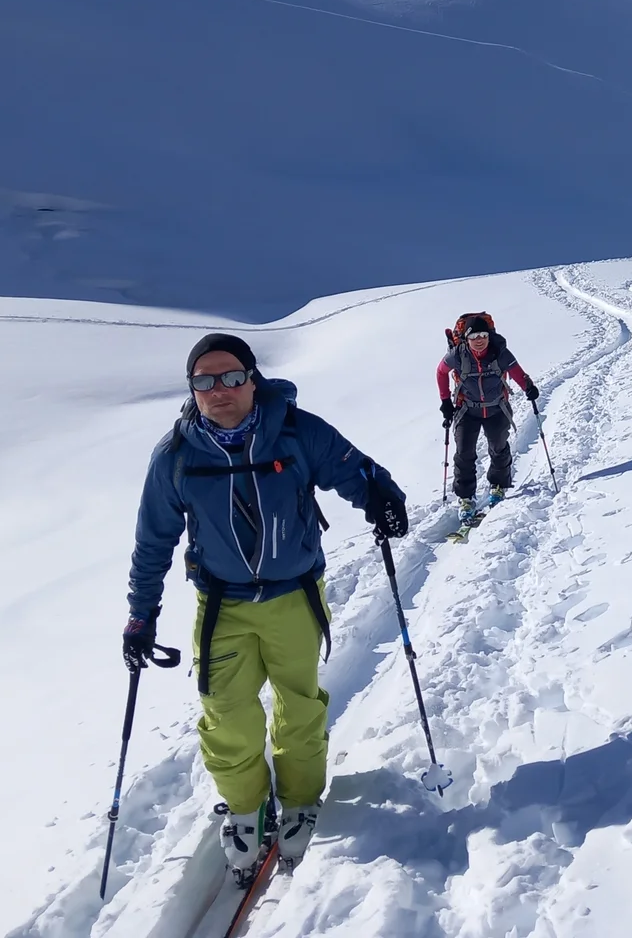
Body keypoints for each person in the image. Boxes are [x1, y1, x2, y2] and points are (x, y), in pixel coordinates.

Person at [122, 334, 410, 884]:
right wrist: (141, 615)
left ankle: (300, 800)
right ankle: (247, 809)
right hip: (221, 605)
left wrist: (382, 498)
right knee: (225, 713)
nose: (219, 390)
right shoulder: (177, 456)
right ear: (191, 389)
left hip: (294, 596)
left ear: (252, 379)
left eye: (232, 376)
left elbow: (354, 469)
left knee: (298, 704)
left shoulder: (297, 432)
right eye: (204, 380)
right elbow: (153, 541)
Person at [436, 315, 540, 519]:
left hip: (497, 409)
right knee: (464, 453)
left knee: (498, 447)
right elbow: (441, 372)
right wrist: (445, 401)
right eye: (474, 336)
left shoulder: (500, 352)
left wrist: (528, 387)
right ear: (467, 338)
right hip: (467, 410)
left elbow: (517, 372)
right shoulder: (458, 354)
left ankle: (498, 486)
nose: (479, 340)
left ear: (489, 336)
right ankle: (466, 498)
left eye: (483, 335)